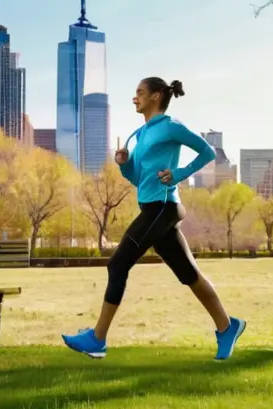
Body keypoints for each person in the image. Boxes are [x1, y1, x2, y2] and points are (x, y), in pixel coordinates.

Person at [61, 77, 246, 361]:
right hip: (152, 207)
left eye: (140, 93)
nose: (135, 98)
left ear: (157, 96)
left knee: (118, 264)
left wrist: (180, 174)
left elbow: (207, 151)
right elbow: (139, 179)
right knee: (189, 275)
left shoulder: (171, 127)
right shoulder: (140, 134)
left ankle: (97, 339)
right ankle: (227, 326)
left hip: (162, 206)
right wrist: (124, 165)